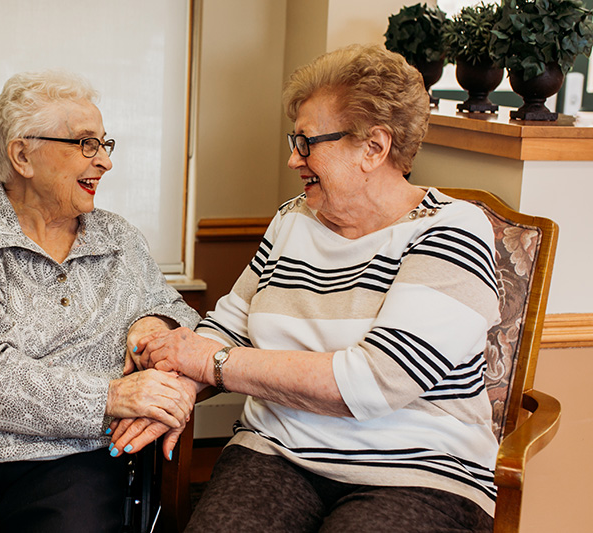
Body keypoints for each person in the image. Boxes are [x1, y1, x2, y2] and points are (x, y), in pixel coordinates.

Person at [116, 44, 501, 532]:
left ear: (374, 147)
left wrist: (209, 364)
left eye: (307, 142)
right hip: (275, 452)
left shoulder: (451, 230)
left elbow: (373, 382)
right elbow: (228, 327)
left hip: (417, 472)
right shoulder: (292, 219)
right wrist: (172, 390)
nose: (293, 158)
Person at [0, 70, 201, 532]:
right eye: (86, 143)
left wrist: (154, 321)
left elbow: (181, 315)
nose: (104, 162)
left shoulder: (119, 238)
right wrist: (110, 396)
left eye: (105, 144)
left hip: (71, 452)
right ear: (22, 154)